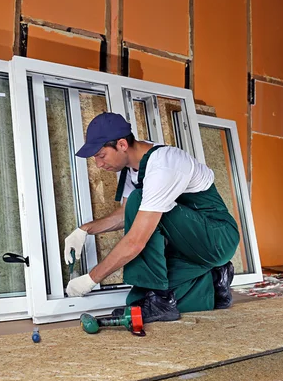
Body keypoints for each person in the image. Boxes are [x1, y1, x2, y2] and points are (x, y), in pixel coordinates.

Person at [64, 112, 239, 323]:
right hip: (189, 246)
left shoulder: (164, 165)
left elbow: (136, 240)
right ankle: (216, 278)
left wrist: (91, 279)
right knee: (140, 299)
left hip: (216, 237)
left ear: (121, 144)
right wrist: (85, 230)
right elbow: (126, 214)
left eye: (101, 155)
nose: (98, 164)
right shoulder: (134, 169)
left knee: (156, 296)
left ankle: (167, 297)